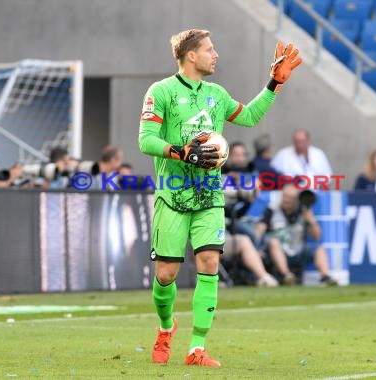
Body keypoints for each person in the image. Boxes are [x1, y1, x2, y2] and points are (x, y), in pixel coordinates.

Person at [138, 28, 301, 367]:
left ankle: (196, 348)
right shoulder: (162, 91)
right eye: (210, 50)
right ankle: (167, 327)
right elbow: (146, 139)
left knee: (210, 264)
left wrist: (274, 85)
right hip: (172, 196)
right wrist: (182, 152)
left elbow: (250, 116)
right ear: (191, 56)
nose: (216, 55)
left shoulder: (217, 93)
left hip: (210, 196)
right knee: (166, 274)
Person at [255, 185, 338, 286]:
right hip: (277, 250)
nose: (287, 200)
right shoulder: (272, 209)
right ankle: (287, 276)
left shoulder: (304, 211)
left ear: (297, 199)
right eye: (285, 196)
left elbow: (317, 237)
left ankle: (325, 277)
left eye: (290, 198)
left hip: (298, 249)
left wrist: (311, 221)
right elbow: (259, 230)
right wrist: (256, 247)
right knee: (273, 242)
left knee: (319, 249)